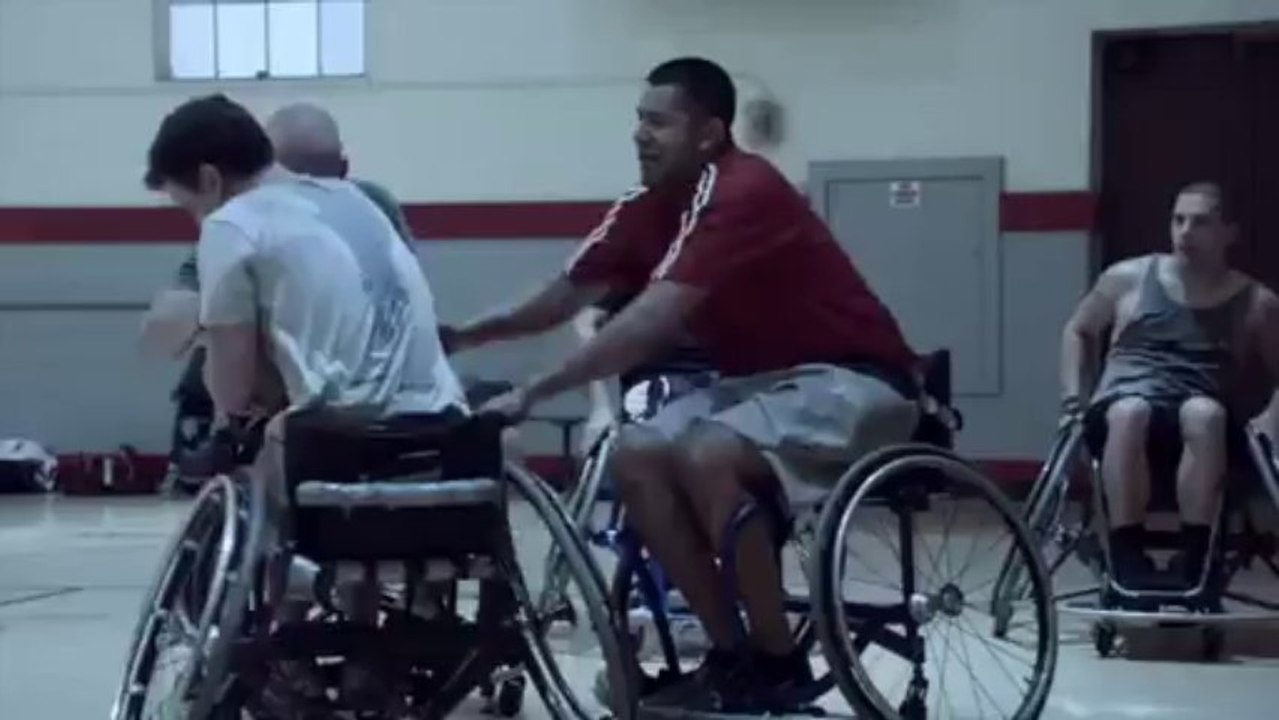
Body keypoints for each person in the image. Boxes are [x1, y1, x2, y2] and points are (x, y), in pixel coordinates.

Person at [445, 57, 921, 711]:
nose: (640, 135)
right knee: (635, 451)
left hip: (856, 379)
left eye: (658, 122)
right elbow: (564, 296)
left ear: (709, 133)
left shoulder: (745, 190)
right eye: (638, 121)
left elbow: (650, 323)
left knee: (708, 450)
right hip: (759, 387)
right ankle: (729, 655)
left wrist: (533, 391)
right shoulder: (643, 208)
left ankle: (778, 660)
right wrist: (466, 334)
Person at [141, 93, 466, 711]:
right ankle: (368, 650)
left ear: (210, 178)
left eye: (186, 205)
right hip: (448, 432)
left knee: (262, 443)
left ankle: (283, 646)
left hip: (338, 443)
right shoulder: (361, 201)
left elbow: (233, 392)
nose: (193, 219)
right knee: (320, 429)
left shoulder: (233, 224)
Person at [1060, 182, 1279, 593]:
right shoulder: (1128, 278)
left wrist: (1270, 419)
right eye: (1178, 220)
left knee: (1204, 414)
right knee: (1131, 412)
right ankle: (1127, 555)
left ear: (1228, 232)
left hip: (1203, 412)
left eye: (1200, 222)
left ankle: (1194, 557)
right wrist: (1074, 395)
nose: (1185, 232)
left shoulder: (1256, 301)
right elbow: (1079, 329)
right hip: (1124, 404)